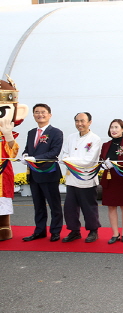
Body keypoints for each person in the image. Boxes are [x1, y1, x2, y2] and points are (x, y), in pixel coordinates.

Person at [22, 103, 63, 242]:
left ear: (49, 115)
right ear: (33, 115)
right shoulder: (31, 132)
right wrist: (25, 156)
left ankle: (55, 231)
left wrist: (35, 159)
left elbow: (54, 152)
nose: (40, 114)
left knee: (54, 205)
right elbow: (28, 149)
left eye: (43, 112)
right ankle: (39, 231)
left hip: (49, 174)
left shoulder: (56, 132)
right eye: (37, 112)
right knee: (38, 206)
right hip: (34, 175)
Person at [60, 112, 102, 243]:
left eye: (82, 121)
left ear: (90, 122)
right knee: (70, 207)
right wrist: (68, 159)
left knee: (89, 207)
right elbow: (64, 154)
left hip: (86, 178)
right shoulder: (71, 137)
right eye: (77, 121)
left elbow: (88, 161)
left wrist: (69, 160)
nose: (79, 124)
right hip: (71, 178)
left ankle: (93, 231)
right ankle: (74, 231)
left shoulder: (95, 139)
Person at [99, 119, 123, 244]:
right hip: (109, 177)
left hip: (122, 177)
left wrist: (114, 164)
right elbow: (101, 158)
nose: (113, 130)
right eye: (111, 127)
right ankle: (115, 233)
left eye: (116, 127)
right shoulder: (106, 145)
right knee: (111, 206)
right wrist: (103, 164)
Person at [0, 78, 28, 241]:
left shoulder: (5, 134)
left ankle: (4, 227)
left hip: (2, 173)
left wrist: (8, 135)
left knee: (2, 201)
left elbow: (12, 154)